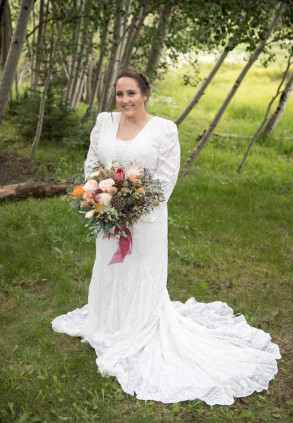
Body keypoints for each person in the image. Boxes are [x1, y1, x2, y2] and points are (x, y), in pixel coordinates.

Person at [52, 69, 280, 405]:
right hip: (108, 214)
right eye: (119, 94)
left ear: (145, 93)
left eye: (131, 93)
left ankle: (138, 327)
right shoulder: (104, 122)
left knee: (141, 272)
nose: (125, 100)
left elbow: (165, 180)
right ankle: (109, 322)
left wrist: (132, 209)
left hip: (145, 220)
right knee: (110, 268)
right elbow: (92, 163)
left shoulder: (164, 129)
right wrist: (98, 194)